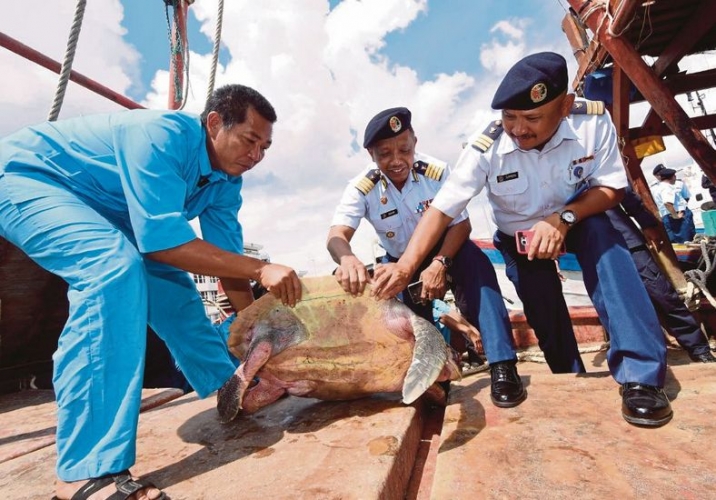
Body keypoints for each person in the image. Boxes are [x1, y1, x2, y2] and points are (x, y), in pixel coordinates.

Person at [0, 84, 302, 500]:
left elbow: (228, 264)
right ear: (215, 123)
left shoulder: (226, 183)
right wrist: (262, 268)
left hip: (113, 213)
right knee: (110, 267)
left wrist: (256, 331)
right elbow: (163, 242)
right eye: (250, 140)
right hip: (28, 178)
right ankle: (85, 471)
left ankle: (229, 387)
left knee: (174, 290)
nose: (256, 155)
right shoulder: (161, 136)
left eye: (265, 147)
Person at [371, 52, 673, 428]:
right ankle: (571, 378)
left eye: (532, 118)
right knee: (545, 316)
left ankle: (642, 377)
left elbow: (612, 187)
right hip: (519, 242)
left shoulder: (592, 122)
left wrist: (563, 219)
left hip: (576, 220)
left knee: (607, 245)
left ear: (565, 106)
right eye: (510, 117)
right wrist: (405, 267)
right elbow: (443, 210)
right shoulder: (486, 146)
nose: (518, 129)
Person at [327, 107, 525, 408]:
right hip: (399, 263)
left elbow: (461, 225)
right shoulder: (361, 188)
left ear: (415, 143)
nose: (397, 160)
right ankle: (431, 381)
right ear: (371, 154)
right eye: (385, 154)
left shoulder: (435, 171)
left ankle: (503, 366)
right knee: (407, 321)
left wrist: (439, 263)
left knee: (479, 269)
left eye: (404, 150)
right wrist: (347, 258)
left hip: (448, 250)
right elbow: (335, 236)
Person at [606, 186, 716, 363]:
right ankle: (639, 358)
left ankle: (698, 348)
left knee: (662, 294)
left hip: (627, 240)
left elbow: (622, 190)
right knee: (616, 305)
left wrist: (647, 224)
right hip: (591, 250)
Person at [652, 165, 695, 243]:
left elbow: (686, 197)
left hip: (672, 215)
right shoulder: (666, 187)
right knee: (687, 241)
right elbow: (667, 203)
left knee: (681, 241)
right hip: (676, 216)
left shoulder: (662, 187)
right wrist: (675, 215)